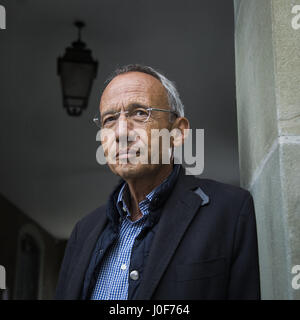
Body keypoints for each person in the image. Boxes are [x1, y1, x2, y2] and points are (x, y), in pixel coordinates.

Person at [55, 64, 260, 300]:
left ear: (177, 132)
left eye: (140, 113)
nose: (121, 132)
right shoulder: (83, 231)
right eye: (109, 119)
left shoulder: (231, 211)